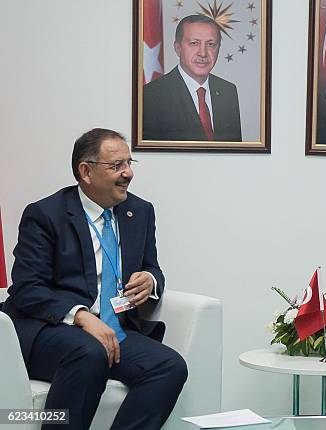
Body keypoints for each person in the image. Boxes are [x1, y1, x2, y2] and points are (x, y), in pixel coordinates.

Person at [3, 128, 188, 429]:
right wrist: (81, 317)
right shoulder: (46, 215)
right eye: (117, 166)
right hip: (52, 330)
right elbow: (26, 288)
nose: (128, 173)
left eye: (129, 163)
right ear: (86, 172)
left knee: (170, 366)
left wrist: (150, 280)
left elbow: (153, 268)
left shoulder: (139, 211)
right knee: (89, 352)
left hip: (114, 331)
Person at [143, 15, 242, 142]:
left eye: (211, 44)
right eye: (194, 43)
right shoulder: (152, 95)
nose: (203, 53)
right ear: (178, 48)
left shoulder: (228, 91)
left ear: (218, 49)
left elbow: (235, 151)